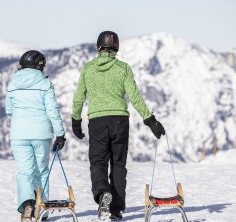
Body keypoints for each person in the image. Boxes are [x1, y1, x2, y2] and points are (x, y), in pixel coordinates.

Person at [71, 31, 165, 220]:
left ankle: (103, 192)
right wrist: (150, 120)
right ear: (116, 48)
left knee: (98, 162)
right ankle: (116, 209)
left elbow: (79, 97)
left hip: (97, 122)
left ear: (99, 47)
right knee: (118, 165)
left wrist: (76, 120)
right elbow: (135, 96)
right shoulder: (123, 68)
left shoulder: (88, 68)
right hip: (120, 121)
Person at [5, 50, 66, 222]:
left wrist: (20, 121)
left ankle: (27, 205)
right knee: (41, 171)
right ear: (40, 65)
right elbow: (52, 111)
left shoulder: (12, 83)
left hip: (18, 134)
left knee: (25, 172)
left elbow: (9, 110)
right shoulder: (45, 83)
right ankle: (41, 209)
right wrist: (60, 134)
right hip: (41, 134)